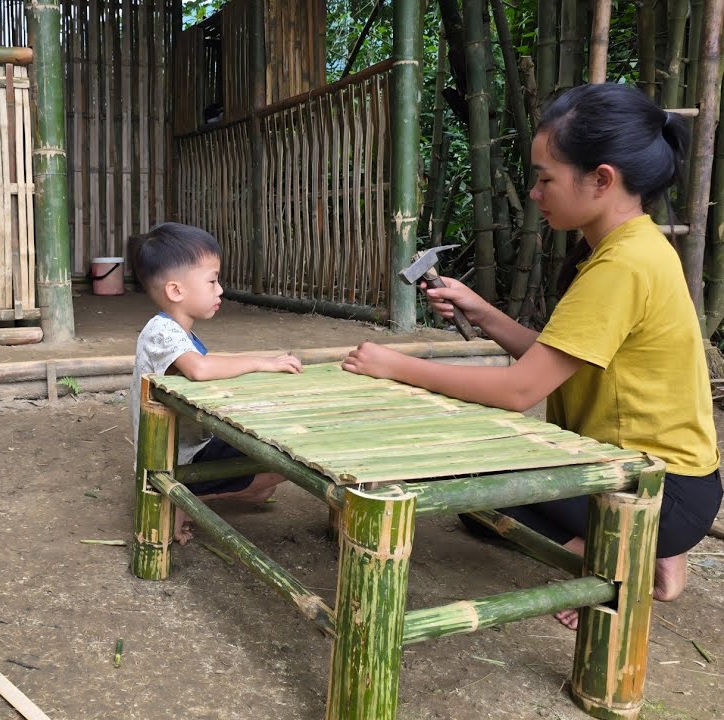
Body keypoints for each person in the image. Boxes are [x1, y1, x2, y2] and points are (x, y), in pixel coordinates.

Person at [341, 83, 721, 628]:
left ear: (602, 179)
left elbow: (520, 390)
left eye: (545, 179)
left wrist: (393, 365)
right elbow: (557, 356)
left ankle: (613, 556)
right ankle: (652, 545)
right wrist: (483, 311)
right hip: (679, 482)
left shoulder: (621, 266)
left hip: (653, 489)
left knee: (456, 479)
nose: (537, 194)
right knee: (480, 516)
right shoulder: (633, 245)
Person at [129, 222, 304, 544]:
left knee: (263, 491)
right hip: (177, 457)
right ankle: (178, 499)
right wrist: (261, 363)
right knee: (286, 462)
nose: (220, 289)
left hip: (189, 446)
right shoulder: (160, 330)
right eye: (212, 280)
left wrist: (264, 362)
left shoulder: (178, 331)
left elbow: (211, 362)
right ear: (176, 291)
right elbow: (199, 369)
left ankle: (192, 494)